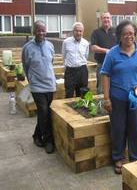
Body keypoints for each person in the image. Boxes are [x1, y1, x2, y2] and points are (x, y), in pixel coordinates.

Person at [101, 20, 137, 174]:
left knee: (136, 130)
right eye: (125, 34)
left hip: (136, 99)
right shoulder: (112, 53)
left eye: (131, 33)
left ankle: (135, 158)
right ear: (120, 36)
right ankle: (118, 158)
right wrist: (107, 98)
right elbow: (105, 75)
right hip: (117, 99)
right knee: (118, 129)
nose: (129, 36)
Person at [22, 20, 56, 154]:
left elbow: (50, 63)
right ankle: (48, 140)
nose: (41, 33)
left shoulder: (50, 46)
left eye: (43, 30)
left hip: (50, 85)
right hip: (37, 86)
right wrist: (31, 80)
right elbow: (25, 66)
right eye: (38, 30)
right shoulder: (27, 47)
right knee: (43, 111)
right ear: (34, 31)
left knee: (45, 113)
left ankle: (36, 135)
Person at [91, 12, 117, 94]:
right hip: (102, 65)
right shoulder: (96, 32)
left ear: (110, 19)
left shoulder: (116, 31)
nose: (106, 19)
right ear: (101, 19)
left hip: (115, 65)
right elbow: (93, 47)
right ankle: (101, 105)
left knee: (115, 87)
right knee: (101, 89)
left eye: (108, 18)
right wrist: (106, 51)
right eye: (104, 18)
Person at [62, 22, 89, 98]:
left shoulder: (86, 43)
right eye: (76, 30)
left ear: (82, 32)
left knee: (83, 94)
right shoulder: (66, 42)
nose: (78, 33)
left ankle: (81, 109)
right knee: (69, 93)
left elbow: (86, 56)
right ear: (73, 31)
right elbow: (64, 56)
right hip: (70, 71)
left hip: (82, 70)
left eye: (80, 31)